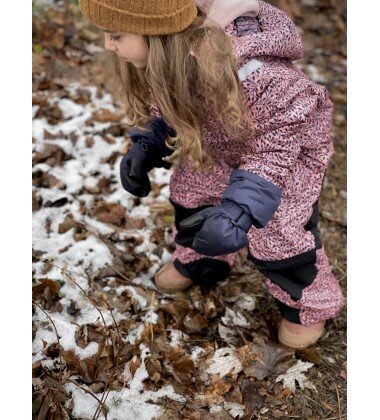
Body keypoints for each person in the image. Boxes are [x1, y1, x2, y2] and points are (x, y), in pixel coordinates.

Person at [78, 0, 344, 349]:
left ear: (157, 34)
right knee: (192, 191)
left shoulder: (258, 74)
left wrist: (240, 210)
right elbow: (172, 108)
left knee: (277, 227)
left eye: (115, 36)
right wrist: (148, 144)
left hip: (284, 155)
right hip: (218, 140)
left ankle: (306, 305)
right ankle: (203, 259)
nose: (107, 46)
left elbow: (273, 149)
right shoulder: (169, 58)